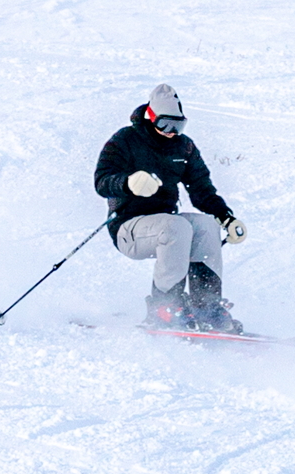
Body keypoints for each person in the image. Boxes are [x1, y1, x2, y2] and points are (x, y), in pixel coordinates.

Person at [94, 84, 247, 332]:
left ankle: (206, 306)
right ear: (151, 116)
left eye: (179, 125)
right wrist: (127, 183)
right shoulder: (125, 140)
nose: (172, 132)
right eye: (166, 124)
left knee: (206, 226)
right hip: (128, 228)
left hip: (166, 226)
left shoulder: (183, 147)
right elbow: (102, 181)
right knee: (176, 226)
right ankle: (165, 306)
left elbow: (201, 189)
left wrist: (226, 218)